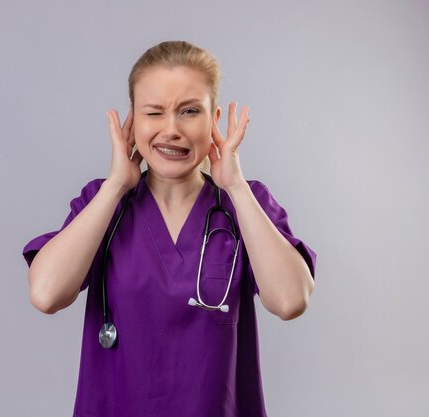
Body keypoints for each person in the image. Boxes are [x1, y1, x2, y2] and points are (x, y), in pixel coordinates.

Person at [22, 40, 317, 417]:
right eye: (154, 113)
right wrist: (115, 186)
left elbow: (291, 301)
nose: (171, 129)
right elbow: (46, 294)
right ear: (133, 122)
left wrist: (236, 187)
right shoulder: (103, 202)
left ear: (214, 121)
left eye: (189, 111)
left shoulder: (244, 204)